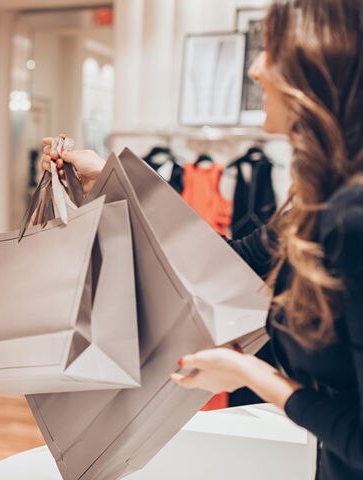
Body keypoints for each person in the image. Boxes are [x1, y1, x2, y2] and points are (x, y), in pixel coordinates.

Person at [42, 0, 363, 478]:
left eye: (271, 50)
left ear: (317, 65)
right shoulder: (314, 204)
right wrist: (107, 182)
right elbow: (214, 265)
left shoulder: (349, 220)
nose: (254, 68)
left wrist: (249, 374)